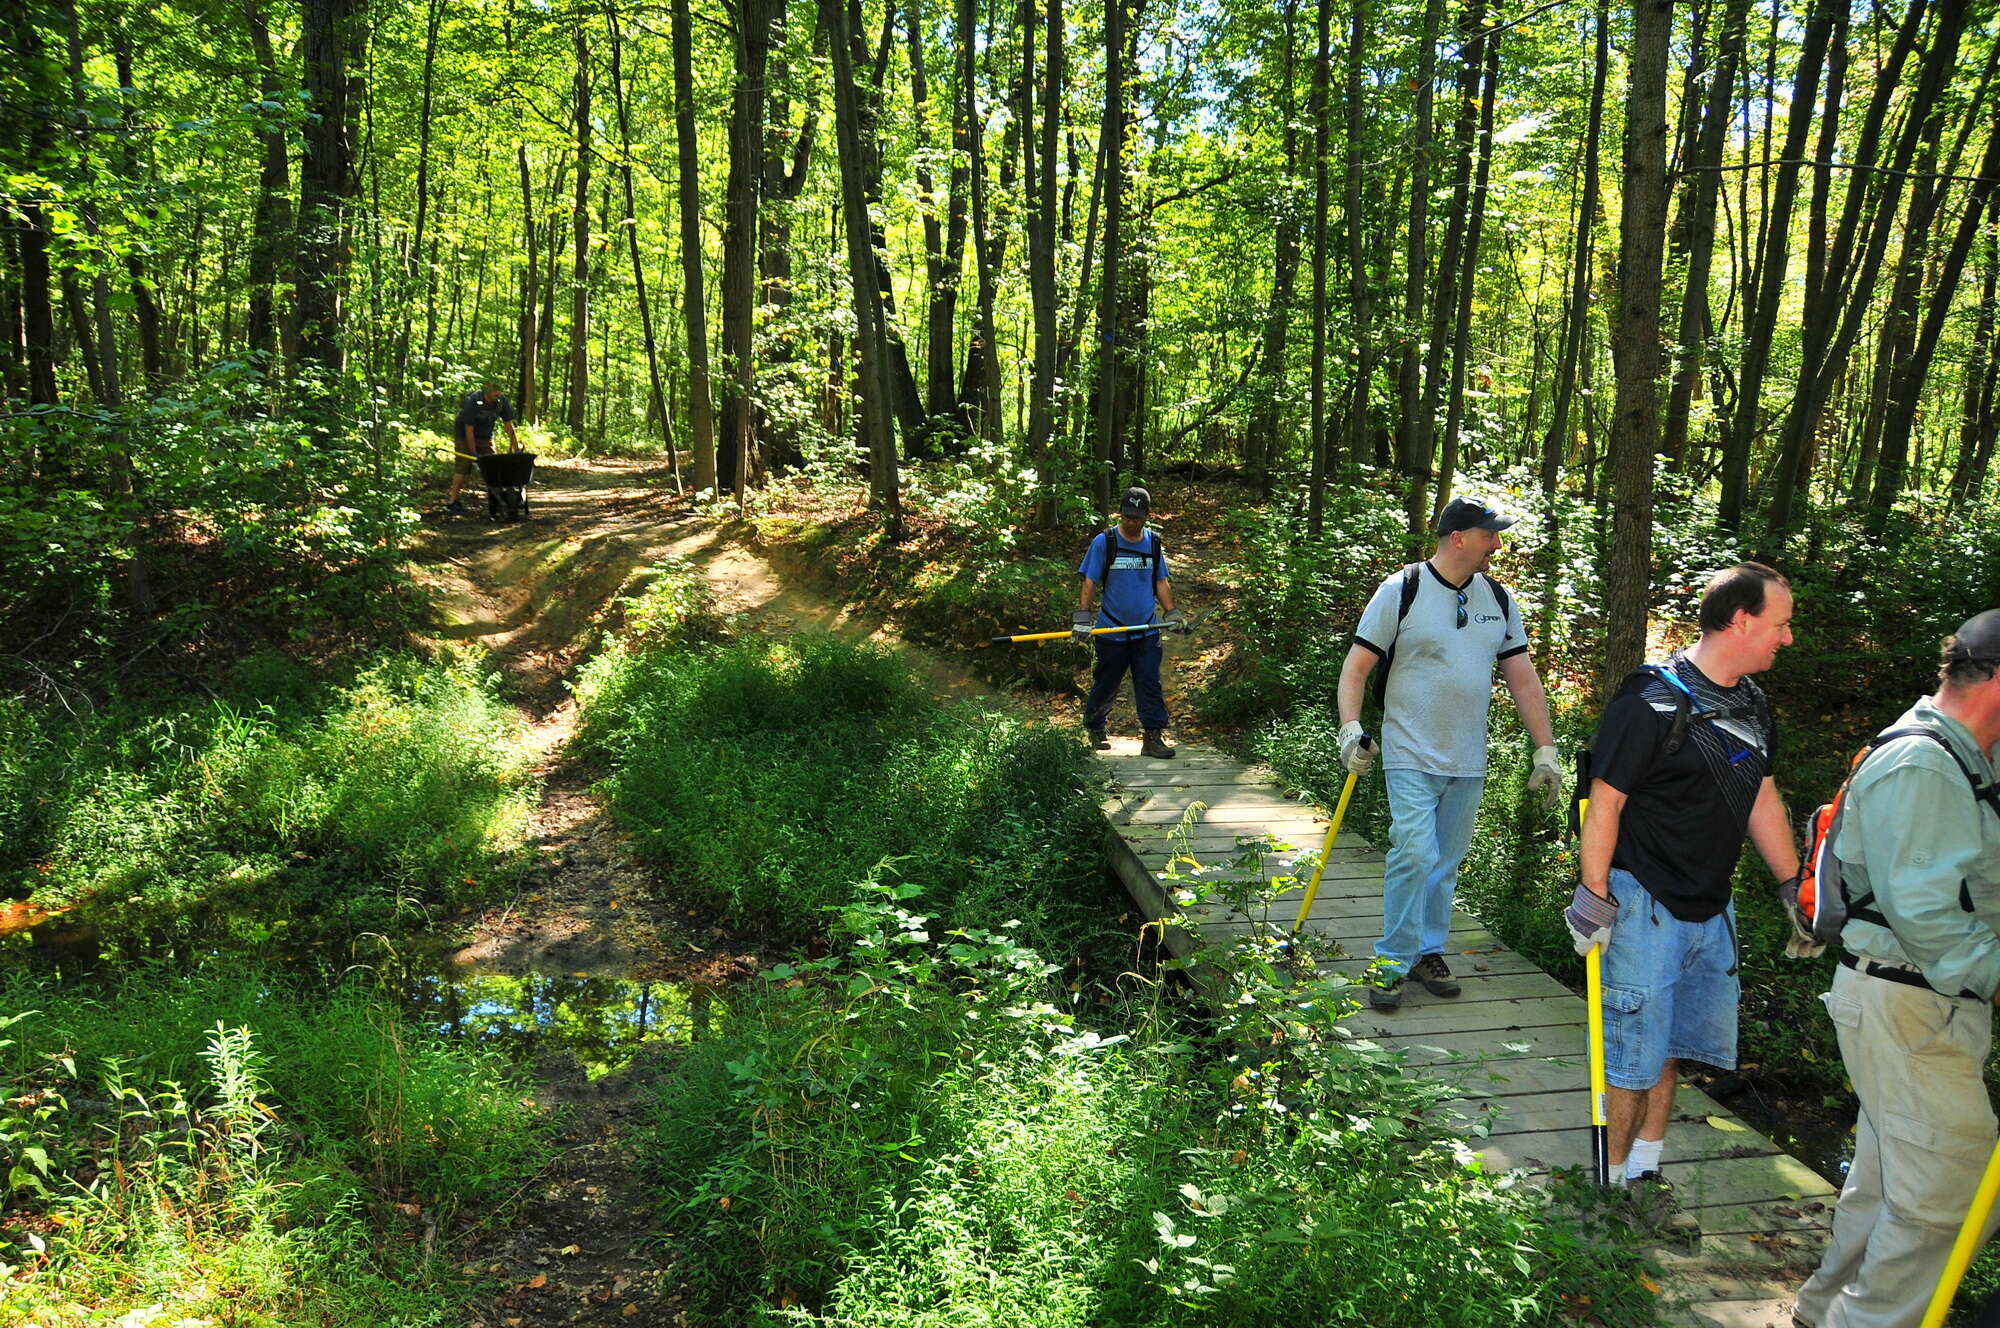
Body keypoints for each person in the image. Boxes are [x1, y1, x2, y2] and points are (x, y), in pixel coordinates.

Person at [1563, 561, 1802, 1234]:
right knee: (1631, 1058)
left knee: (1667, 1048)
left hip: (1710, 907)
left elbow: (1761, 796)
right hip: (1644, 904)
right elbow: (1605, 802)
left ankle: (1645, 1176)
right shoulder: (1649, 702)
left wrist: (1793, 885)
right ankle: (1605, 1196)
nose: (1787, 639)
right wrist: (1594, 896)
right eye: (1780, 625)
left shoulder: (1752, 706)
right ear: (1742, 620)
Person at [1791, 610, 2000, 1328]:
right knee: (1950, 1196)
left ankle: (1823, 1311)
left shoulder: (1967, 756)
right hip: (1909, 1002)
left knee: (1888, 1187)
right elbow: (1925, 912)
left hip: (1917, 1003)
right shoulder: (1923, 764)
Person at [1337, 497, 1562, 1012]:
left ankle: (1428, 951)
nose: (1497, 545)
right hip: (1409, 749)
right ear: (1458, 537)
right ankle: (1391, 961)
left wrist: (1546, 750)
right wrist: (1350, 731)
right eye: (1489, 534)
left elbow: (1523, 678)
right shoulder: (1403, 588)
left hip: (1467, 756)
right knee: (1415, 853)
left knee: (1444, 864)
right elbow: (1356, 667)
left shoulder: (1498, 599)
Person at [1074, 486, 1187, 759]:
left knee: (1149, 683)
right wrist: (1082, 618)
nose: (1131, 521)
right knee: (1107, 682)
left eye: (1136, 517)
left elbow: (1160, 581)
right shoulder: (1105, 542)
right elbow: (1090, 580)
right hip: (1111, 629)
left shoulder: (1153, 544)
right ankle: (1096, 728)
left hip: (1146, 630)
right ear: (1120, 514)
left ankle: (1152, 737)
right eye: (1126, 516)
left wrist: (1171, 613)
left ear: (1146, 516)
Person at [445, 381, 521, 515]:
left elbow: (509, 426)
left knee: (493, 465)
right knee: (463, 465)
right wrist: (474, 454)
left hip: (485, 436)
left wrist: (517, 449)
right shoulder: (473, 400)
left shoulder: (501, 402)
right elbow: (468, 429)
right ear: (487, 389)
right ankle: (453, 501)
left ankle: (497, 500)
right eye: (494, 390)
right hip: (464, 435)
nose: (497, 393)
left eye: (499, 390)